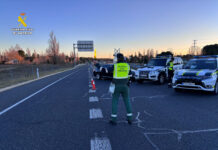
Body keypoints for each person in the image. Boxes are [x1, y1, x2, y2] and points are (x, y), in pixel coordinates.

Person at [110, 53, 132, 125]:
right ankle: (130, 118)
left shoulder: (115, 66)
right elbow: (130, 75)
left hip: (116, 86)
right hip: (125, 85)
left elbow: (109, 71)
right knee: (127, 101)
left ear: (117, 59)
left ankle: (113, 119)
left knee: (115, 101)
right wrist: (128, 81)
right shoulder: (127, 65)